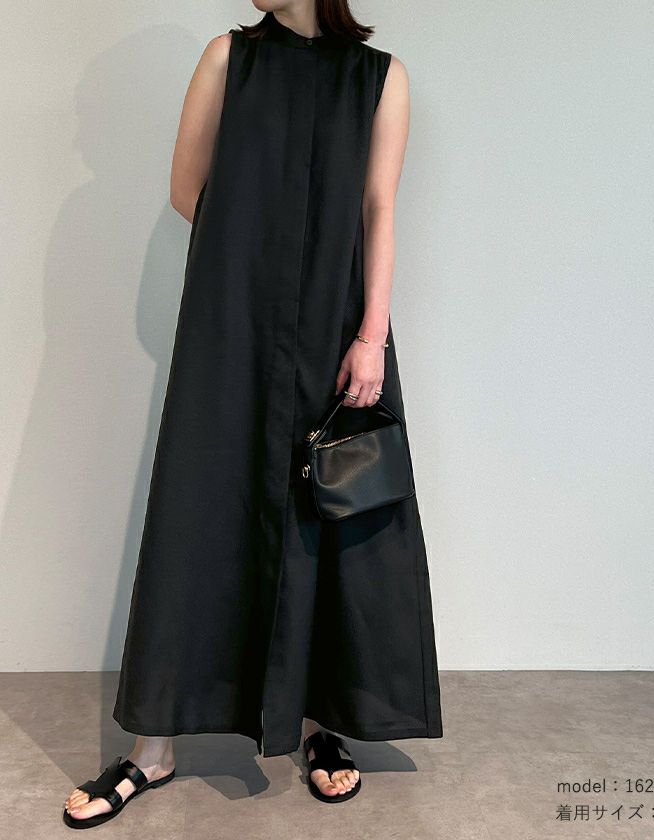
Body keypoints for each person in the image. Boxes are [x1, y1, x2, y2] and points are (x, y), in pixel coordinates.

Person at [63, 0, 442, 827]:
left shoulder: (380, 79)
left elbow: (379, 207)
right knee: (200, 511)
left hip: (335, 322)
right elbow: (186, 193)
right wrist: (257, 258)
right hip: (230, 317)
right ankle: (152, 749)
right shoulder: (228, 59)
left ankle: (315, 723)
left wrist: (371, 334)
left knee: (325, 514)